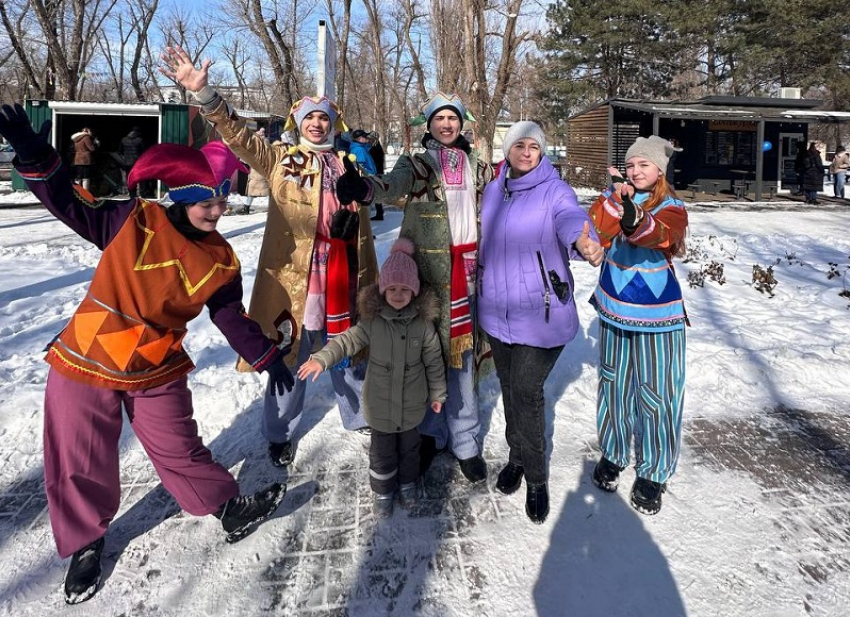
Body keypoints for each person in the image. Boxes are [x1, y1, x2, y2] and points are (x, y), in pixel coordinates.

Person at [0, 104, 294, 605]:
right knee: (78, 454)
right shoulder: (130, 219)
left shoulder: (221, 259)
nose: (217, 211)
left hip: (157, 360)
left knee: (178, 446)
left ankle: (226, 507)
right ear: (180, 197)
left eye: (221, 201)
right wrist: (31, 149)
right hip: (89, 353)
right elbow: (65, 201)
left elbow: (227, 315)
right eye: (206, 202)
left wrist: (266, 355)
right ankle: (86, 542)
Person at [160, 46, 378, 469]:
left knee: (348, 348)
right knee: (290, 354)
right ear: (298, 122)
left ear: (333, 125)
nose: (317, 124)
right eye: (309, 118)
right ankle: (279, 432)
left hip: (343, 274)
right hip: (294, 278)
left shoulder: (347, 163)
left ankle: (360, 416)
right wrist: (205, 95)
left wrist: (364, 190)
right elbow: (239, 135)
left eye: (324, 119)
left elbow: (377, 193)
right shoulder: (280, 159)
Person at [336, 92, 493, 485]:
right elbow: (391, 185)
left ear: (462, 123)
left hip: (471, 274)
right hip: (429, 277)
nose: (446, 124)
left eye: (452, 118)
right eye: (439, 118)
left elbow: (508, 192)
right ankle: (428, 435)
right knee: (427, 357)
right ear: (429, 124)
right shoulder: (419, 164)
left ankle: (466, 441)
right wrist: (365, 188)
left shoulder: (479, 165)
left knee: (463, 360)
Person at [477, 121, 604, 524]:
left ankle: (535, 477)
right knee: (511, 387)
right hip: (497, 310)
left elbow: (570, 218)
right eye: (520, 145)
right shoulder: (494, 190)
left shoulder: (555, 190)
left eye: (534, 146)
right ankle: (516, 456)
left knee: (527, 391)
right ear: (508, 150)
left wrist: (583, 241)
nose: (527, 152)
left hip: (541, 311)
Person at [298, 238, 446, 517]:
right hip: (379, 406)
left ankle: (407, 485)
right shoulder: (372, 322)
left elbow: (434, 361)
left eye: (405, 289)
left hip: (413, 405)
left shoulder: (423, 326)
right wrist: (321, 358)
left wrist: (438, 394)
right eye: (392, 288)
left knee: (410, 451)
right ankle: (382, 490)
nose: (399, 294)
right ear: (383, 289)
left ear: (414, 291)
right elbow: (345, 342)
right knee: (382, 453)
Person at [587, 135, 689, 516]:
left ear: (659, 170)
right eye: (631, 165)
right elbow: (593, 232)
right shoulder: (614, 197)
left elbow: (659, 236)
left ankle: (654, 471)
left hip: (658, 316)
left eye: (643, 165)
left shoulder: (672, 207)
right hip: (614, 309)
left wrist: (628, 210)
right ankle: (613, 454)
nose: (636, 171)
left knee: (659, 394)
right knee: (613, 385)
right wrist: (612, 202)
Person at [238, 126, 270, 215]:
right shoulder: (267, 144)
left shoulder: (257, 144)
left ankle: (246, 208)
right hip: (264, 169)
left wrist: (242, 160)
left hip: (256, 170)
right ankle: (275, 208)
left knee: (253, 189)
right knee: (266, 189)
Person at [118, 125, 146, 195]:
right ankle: (141, 192)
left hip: (127, 163)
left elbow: (120, 151)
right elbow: (144, 151)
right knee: (139, 178)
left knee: (129, 178)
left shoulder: (123, 140)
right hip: (137, 163)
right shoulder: (140, 140)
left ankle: (131, 193)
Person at [71, 126, 97, 191]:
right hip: (85, 160)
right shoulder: (86, 137)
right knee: (86, 176)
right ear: (87, 132)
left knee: (78, 176)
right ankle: (85, 193)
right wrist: (96, 144)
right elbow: (92, 148)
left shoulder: (76, 138)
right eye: (90, 131)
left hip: (77, 158)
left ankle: (77, 191)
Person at [368, 131, 386, 221]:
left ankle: (379, 213)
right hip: (378, 172)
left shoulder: (375, 148)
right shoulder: (375, 147)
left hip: (377, 173)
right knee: (376, 193)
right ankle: (380, 212)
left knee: (376, 193)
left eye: (371, 139)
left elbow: (376, 162)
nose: (369, 140)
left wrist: (376, 174)